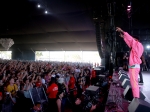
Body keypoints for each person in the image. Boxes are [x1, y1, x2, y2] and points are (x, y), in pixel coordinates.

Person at [116, 27, 144, 99]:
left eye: (133, 39)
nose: (132, 41)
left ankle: (136, 98)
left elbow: (131, 40)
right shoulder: (136, 46)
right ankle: (135, 98)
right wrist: (124, 37)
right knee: (133, 83)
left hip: (134, 67)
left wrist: (122, 31)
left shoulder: (138, 45)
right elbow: (130, 42)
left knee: (134, 84)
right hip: (133, 67)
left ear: (136, 40)